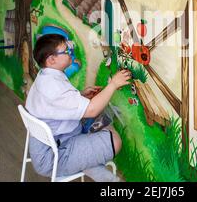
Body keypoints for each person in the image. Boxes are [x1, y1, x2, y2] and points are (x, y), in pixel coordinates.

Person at [25, 34, 131, 181]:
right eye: (66, 50)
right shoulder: (54, 87)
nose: (70, 52)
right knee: (114, 139)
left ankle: (98, 171)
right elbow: (92, 109)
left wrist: (79, 95)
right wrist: (113, 84)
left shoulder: (44, 76)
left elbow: (55, 105)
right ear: (51, 59)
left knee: (99, 119)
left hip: (53, 144)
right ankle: (91, 162)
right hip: (54, 157)